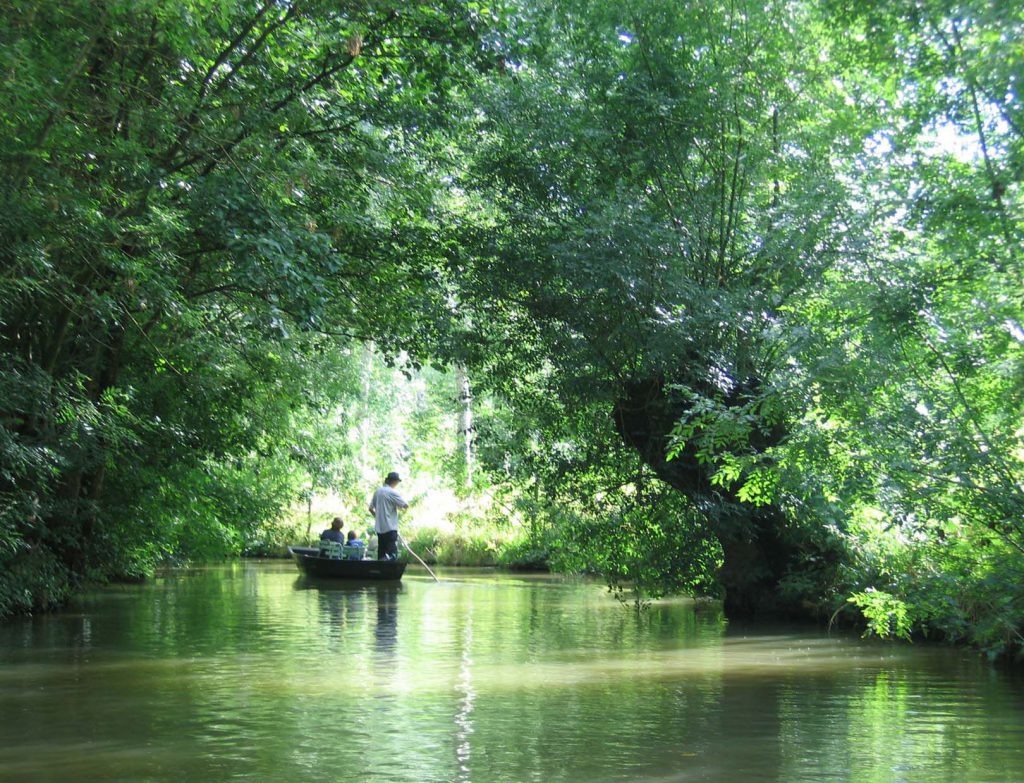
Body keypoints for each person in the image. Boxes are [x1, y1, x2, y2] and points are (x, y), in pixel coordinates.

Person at [368, 471, 408, 560]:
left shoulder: (377, 492)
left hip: (380, 529)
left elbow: (370, 508)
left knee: (381, 553)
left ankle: (381, 571)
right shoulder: (392, 492)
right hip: (390, 528)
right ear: (394, 481)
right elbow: (405, 505)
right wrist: (398, 507)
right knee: (392, 555)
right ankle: (391, 572)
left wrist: (377, 517)